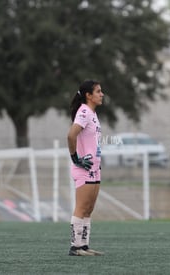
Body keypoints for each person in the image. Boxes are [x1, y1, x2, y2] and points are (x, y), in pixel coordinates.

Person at [67, 80, 104, 256]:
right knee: (81, 207)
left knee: (89, 208)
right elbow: (71, 135)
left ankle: (83, 246)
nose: (101, 94)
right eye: (98, 91)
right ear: (88, 95)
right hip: (84, 168)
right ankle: (75, 247)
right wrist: (76, 158)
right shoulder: (84, 111)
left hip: (95, 167)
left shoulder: (92, 113)